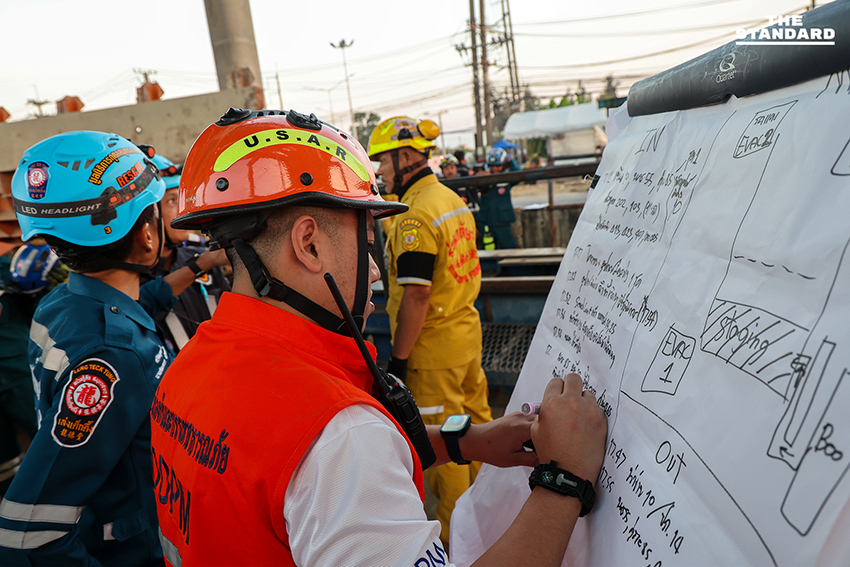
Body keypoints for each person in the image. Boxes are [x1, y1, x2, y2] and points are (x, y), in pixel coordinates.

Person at [151, 108, 607, 566]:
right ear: (308, 244)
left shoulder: (186, 368)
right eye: (367, 240)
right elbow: (330, 460)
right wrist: (564, 478)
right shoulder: (341, 437)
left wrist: (462, 442)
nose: (373, 270)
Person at [0, 131, 225, 565]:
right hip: (131, 545)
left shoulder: (64, 302)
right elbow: (25, 533)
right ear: (145, 234)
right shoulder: (114, 354)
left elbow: (146, 301)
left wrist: (201, 263)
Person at [368, 115, 495, 544]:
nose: (380, 170)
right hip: (465, 336)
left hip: (433, 353)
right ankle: (490, 517)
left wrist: (399, 361)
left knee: (449, 448)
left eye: (382, 161)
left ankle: (452, 541)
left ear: (406, 157)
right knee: (479, 430)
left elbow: (417, 297)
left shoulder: (414, 216)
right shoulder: (448, 199)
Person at [0, 243, 68, 496]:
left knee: (50, 440)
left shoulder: (12, 265)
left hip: (18, 370)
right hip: (14, 367)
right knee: (5, 459)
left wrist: (49, 283)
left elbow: (41, 308)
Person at [148, 154, 231, 352]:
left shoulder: (202, 256)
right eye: (171, 201)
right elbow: (145, 303)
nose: (182, 209)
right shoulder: (130, 276)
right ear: (149, 214)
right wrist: (201, 264)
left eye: (182, 198)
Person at [476, 147, 519, 249]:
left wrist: (510, 161)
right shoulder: (485, 177)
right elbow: (476, 179)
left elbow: (518, 174)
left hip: (502, 221)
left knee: (508, 248)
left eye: (498, 166)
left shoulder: (507, 178)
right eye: (491, 166)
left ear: (504, 165)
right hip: (486, 221)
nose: (494, 169)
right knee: (488, 249)